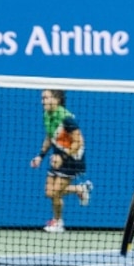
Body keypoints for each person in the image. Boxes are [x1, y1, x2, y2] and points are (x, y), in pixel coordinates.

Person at [29, 89, 92, 233]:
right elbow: (49, 137)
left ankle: (58, 222)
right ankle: (80, 189)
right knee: (49, 192)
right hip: (57, 157)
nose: (42, 101)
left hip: (72, 159)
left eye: (46, 98)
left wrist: (63, 157)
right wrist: (40, 156)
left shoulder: (67, 119)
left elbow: (79, 142)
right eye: (42, 98)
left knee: (56, 192)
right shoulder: (47, 115)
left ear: (56, 100)